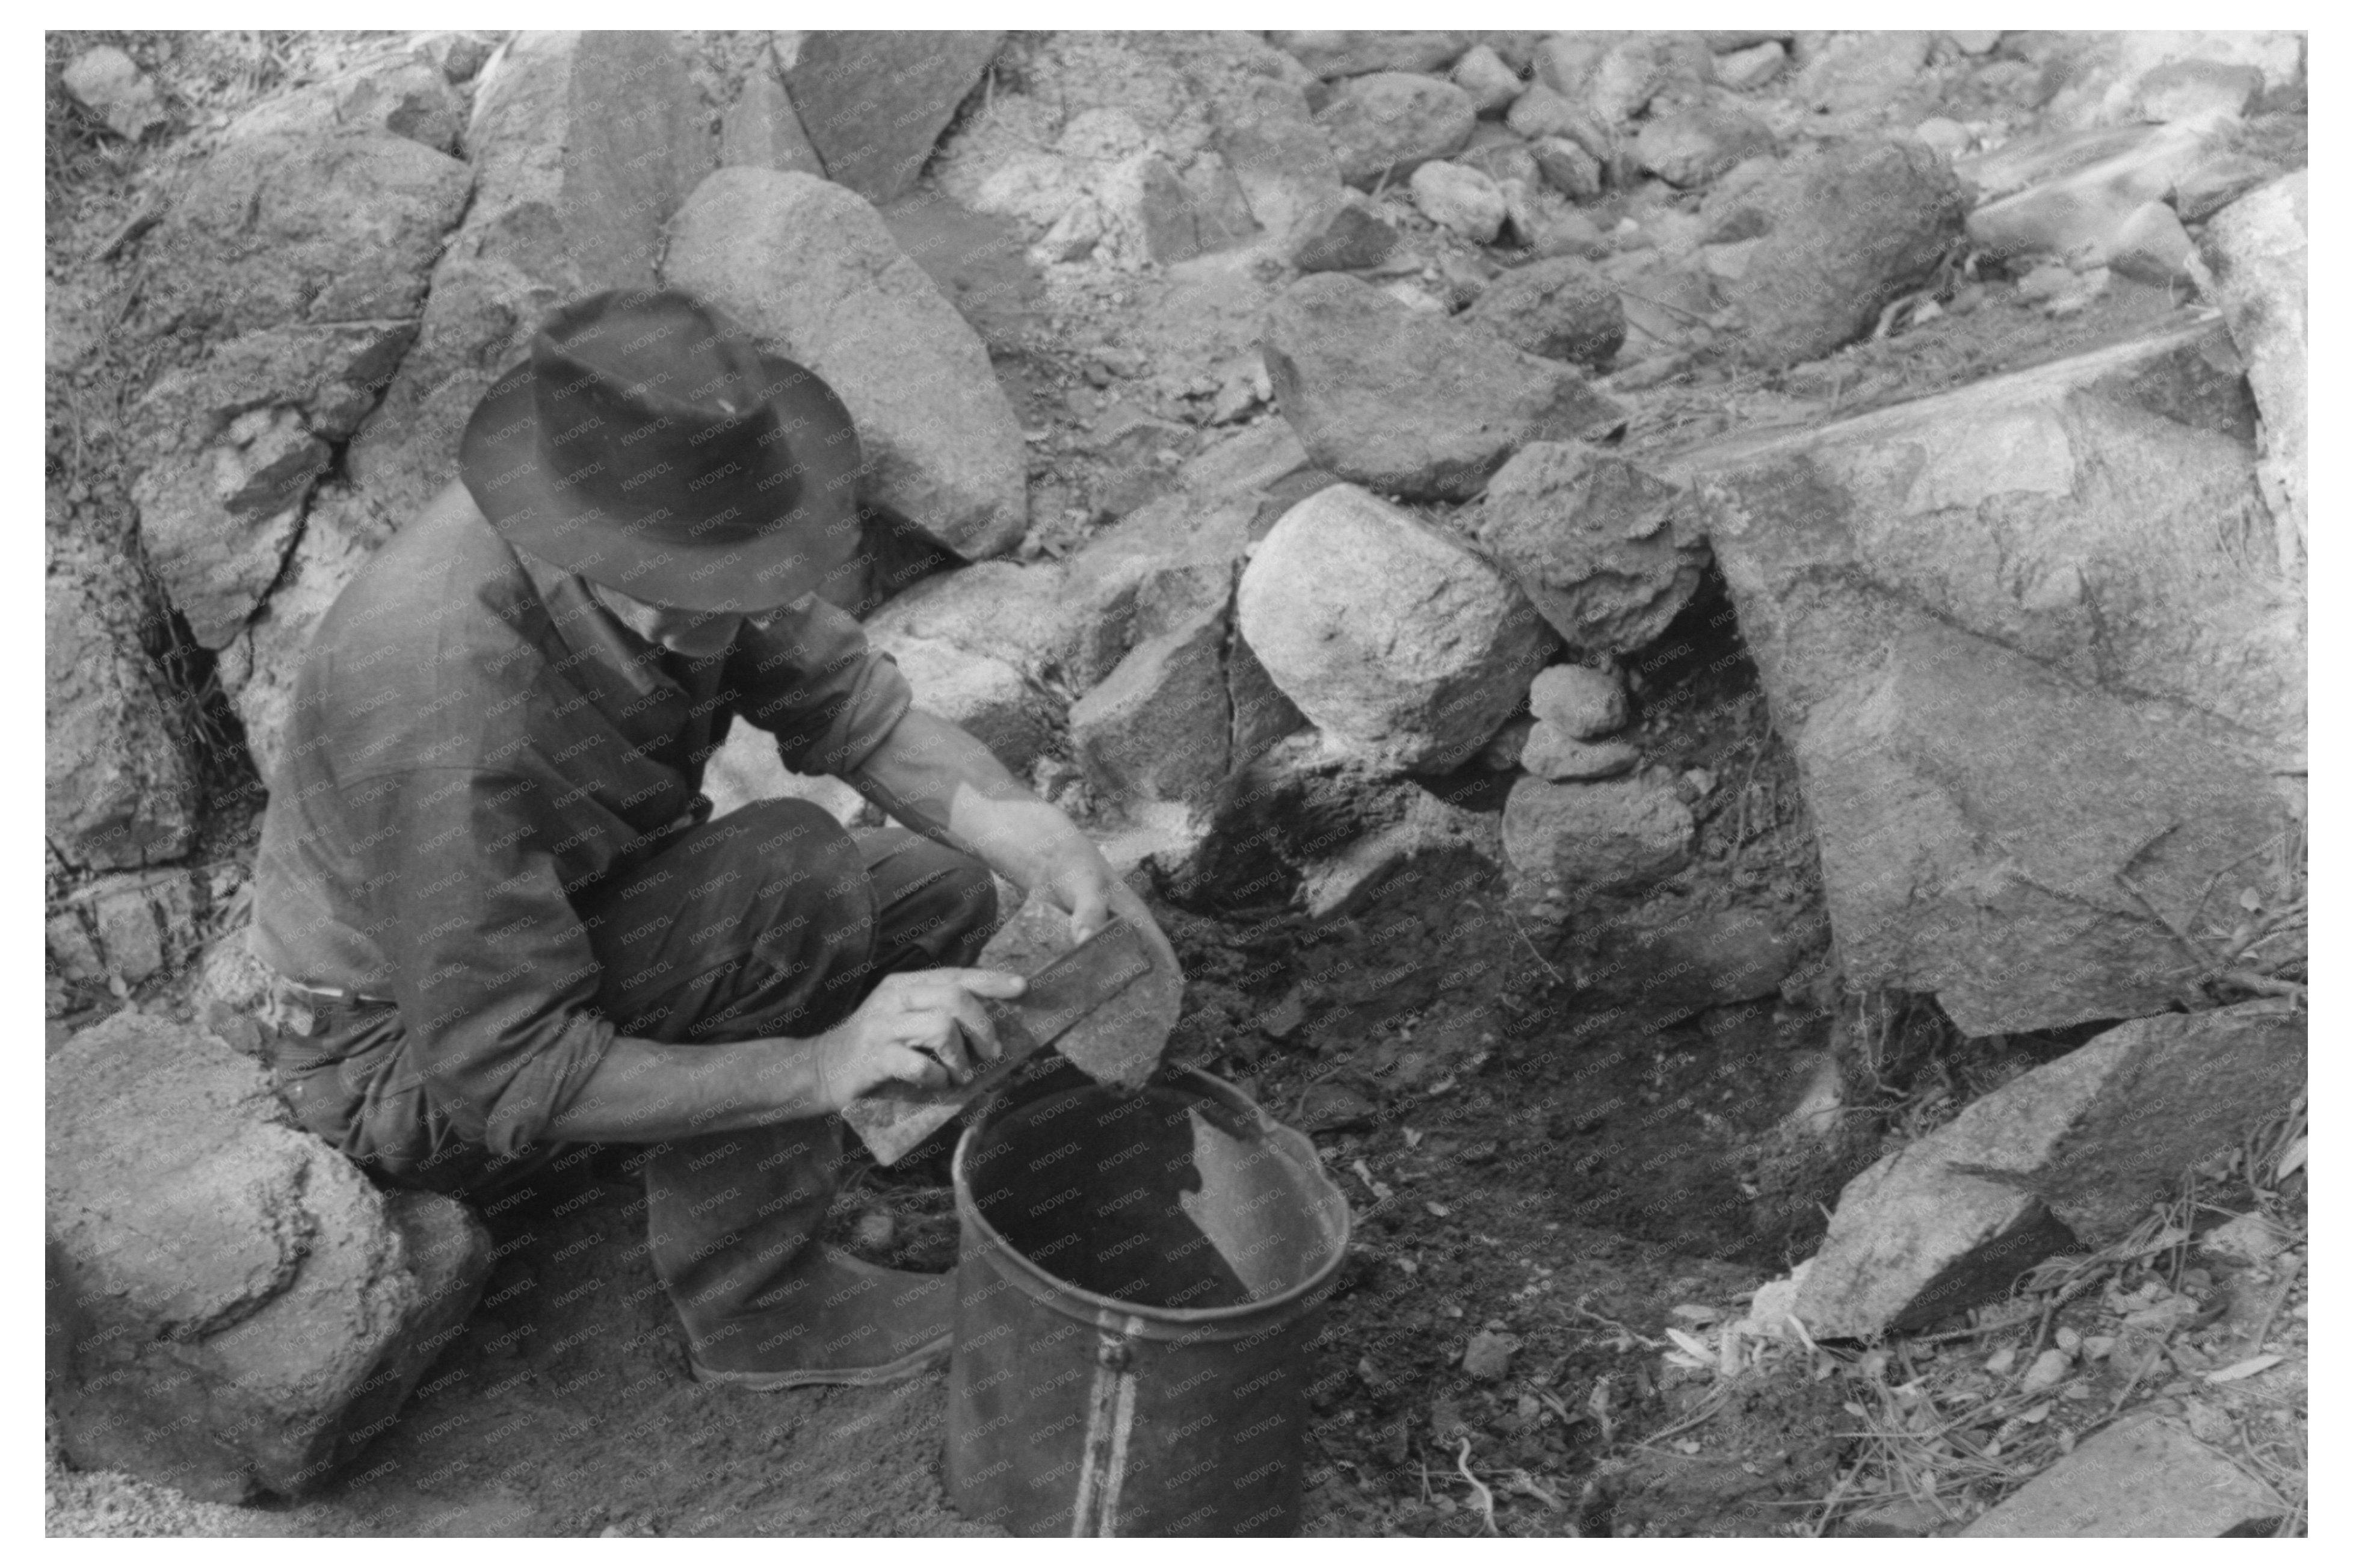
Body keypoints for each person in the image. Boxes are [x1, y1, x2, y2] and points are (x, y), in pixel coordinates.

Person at [250, 287, 1170, 1389]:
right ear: (574, 533)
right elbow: (501, 1069)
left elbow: (851, 710)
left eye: (739, 577)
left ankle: (738, 1124)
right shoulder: (444, 703)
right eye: (688, 587)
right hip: (398, 1056)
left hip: (571, 917)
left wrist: (1025, 830)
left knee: (937, 893)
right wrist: (825, 1065)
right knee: (796, 884)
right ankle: (762, 1302)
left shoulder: (681, 513)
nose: (725, 608)